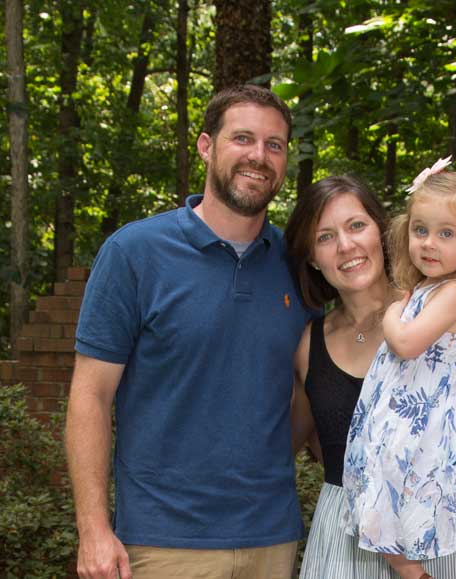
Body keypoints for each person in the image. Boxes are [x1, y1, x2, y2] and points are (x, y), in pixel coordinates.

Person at [65, 85, 314, 579]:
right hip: (162, 543)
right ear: (206, 145)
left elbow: (314, 384)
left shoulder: (300, 265)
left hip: (272, 539)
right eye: (242, 138)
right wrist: (93, 528)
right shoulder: (134, 253)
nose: (258, 156)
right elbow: (89, 396)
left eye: (274, 144)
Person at [285, 174, 456, 579]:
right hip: (345, 542)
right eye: (324, 237)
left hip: (435, 536)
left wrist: (427, 485)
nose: (346, 245)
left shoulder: (439, 322)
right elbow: (290, 448)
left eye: (356, 226)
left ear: (381, 232)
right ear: (311, 255)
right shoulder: (308, 344)